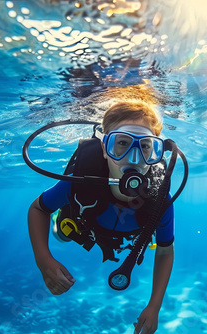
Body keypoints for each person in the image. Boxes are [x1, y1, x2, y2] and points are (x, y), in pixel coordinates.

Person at [27, 101, 175, 334]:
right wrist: (43, 259)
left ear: (156, 153)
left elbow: (165, 249)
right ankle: (64, 224)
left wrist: (154, 306)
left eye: (146, 147)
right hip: (83, 224)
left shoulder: (160, 200)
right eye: (122, 144)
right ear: (105, 149)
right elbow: (38, 209)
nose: (133, 159)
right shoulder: (79, 182)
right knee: (62, 235)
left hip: (124, 236)